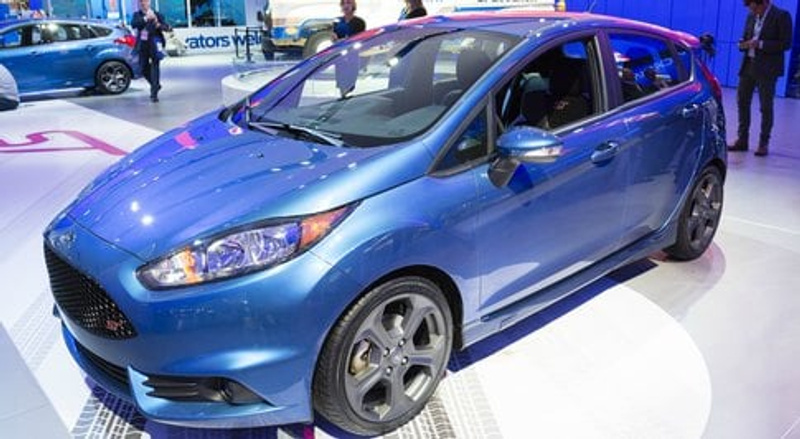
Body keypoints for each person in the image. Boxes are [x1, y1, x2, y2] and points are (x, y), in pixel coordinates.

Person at [728, 0, 792, 157]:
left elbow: (786, 44)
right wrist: (742, 44)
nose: (753, 11)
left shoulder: (781, 16)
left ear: (764, 3)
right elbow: (745, 37)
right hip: (748, 65)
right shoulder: (751, 16)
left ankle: (763, 143)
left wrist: (761, 44)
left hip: (768, 69)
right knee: (742, 102)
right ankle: (742, 140)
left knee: (765, 106)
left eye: (755, 8)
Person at [132, 0, 169, 103]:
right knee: (142, 68)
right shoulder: (137, 15)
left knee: (155, 68)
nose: (143, 3)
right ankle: (155, 85)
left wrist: (158, 24)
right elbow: (134, 24)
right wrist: (146, 18)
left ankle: (154, 94)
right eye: (141, 2)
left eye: (145, 1)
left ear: (149, 2)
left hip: (155, 44)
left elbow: (166, 27)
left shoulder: (157, 14)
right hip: (142, 45)